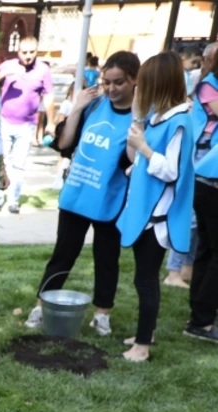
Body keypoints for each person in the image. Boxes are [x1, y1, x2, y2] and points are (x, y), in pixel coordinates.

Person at [24, 52, 141, 336]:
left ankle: (102, 314)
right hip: (76, 195)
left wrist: (137, 118)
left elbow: (131, 161)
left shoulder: (140, 116)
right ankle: (41, 305)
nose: (111, 89)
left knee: (106, 259)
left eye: (119, 82)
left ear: (135, 80)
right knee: (63, 254)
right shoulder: (92, 106)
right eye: (106, 82)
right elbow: (64, 143)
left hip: (110, 200)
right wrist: (76, 109)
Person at [116, 51, 194, 362]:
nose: (138, 90)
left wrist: (145, 150)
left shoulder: (180, 121)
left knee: (146, 281)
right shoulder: (158, 116)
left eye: (143, 84)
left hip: (157, 219)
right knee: (143, 278)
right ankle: (144, 334)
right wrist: (137, 120)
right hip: (145, 213)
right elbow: (135, 157)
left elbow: (171, 171)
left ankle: (143, 346)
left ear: (157, 84)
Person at [0, 37, 55, 213]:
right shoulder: (7, 65)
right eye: (24, 52)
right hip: (4, 121)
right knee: (1, 160)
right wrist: (5, 75)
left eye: (32, 52)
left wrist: (50, 122)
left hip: (27, 124)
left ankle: (13, 200)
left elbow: (48, 96)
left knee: (18, 164)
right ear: (18, 51)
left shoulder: (43, 70)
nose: (28, 56)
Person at [183, 42, 218, 342]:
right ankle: (202, 321)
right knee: (211, 250)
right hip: (208, 179)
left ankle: (199, 315)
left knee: (207, 249)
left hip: (207, 179)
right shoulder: (208, 86)